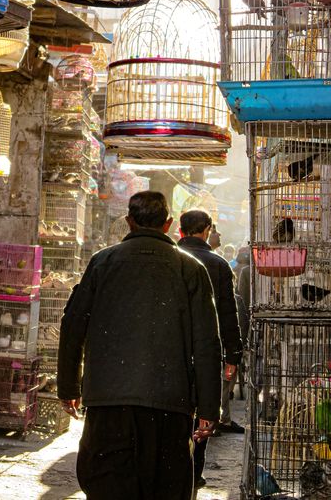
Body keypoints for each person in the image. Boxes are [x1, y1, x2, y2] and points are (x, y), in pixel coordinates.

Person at [57, 191, 222, 500]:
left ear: (129, 222)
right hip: (169, 407)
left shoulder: (102, 263)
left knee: (107, 489)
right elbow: (207, 344)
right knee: (164, 491)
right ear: (169, 224)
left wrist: (68, 388)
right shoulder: (191, 270)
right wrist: (209, 409)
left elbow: (73, 325)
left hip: (108, 404)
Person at [178, 210, 244, 489]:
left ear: (180, 231)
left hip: (174, 349)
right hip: (207, 350)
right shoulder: (218, 264)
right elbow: (229, 314)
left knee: (177, 410)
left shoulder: (169, 259)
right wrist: (233, 356)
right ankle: (194, 472)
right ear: (206, 230)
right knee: (204, 408)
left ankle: (174, 469)